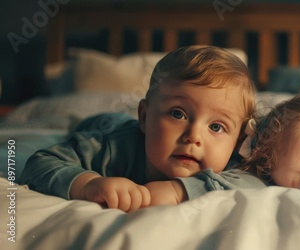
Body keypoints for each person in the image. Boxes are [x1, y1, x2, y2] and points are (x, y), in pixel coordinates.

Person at [19, 45, 264, 212]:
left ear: (238, 140)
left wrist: (178, 191)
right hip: (107, 123)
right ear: (145, 117)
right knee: (83, 124)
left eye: (216, 126)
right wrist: (88, 184)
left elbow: (256, 183)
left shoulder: (235, 160)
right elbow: (40, 163)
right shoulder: (112, 147)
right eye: (178, 114)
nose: (194, 136)